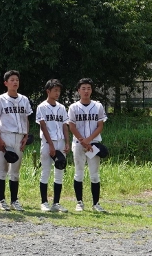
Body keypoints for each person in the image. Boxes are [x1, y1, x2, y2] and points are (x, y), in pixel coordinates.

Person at [0, 70, 32, 211]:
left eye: (17, 80)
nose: (15, 82)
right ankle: (1, 200)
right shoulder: (0, 99)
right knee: (2, 170)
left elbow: (26, 118)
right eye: (12, 80)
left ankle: (14, 200)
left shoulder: (24, 99)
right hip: (5, 135)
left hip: (19, 137)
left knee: (15, 171)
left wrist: (26, 136)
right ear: (6, 83)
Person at [68, 78, 107, 212]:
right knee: (78, 173)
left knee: (94, 174)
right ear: (78, 90)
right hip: (78, 144)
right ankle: (79, 202)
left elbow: (100, 125)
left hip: (94, 144)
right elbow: (72, 126)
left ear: (92, 90)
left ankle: (96, 204)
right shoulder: (73, 107)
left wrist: (89, 140)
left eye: (88, 88)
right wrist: (83, 141)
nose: (86, 91)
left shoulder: (98, 106)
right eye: (83, 88)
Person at [36, 79, 70, 212]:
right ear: (48, 91)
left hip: (60, 142)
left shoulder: (61, 107)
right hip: (47, 142)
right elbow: (43, 126)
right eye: (55, 90)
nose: (57, 93)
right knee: (45, 171)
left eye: (59, 91)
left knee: (59, 172)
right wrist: (50, 145)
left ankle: (56, 203)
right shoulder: (42, 107)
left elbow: (65, 126)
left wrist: (67, 142)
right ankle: (44, 202)